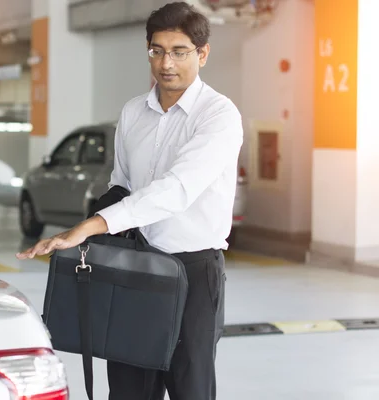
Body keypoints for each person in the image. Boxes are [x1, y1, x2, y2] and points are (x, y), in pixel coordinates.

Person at [16, 2, 243, 399]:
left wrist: (91, 225)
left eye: (179, 51)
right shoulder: (133, 112)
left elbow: (176, 190)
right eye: (157, 51)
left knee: (192, 387)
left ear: (202, 54)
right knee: (128, 388)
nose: (166, 63)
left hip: (193, 269)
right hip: (135, 266)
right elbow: (121, 184)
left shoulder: (218, 116)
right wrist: (86, 237)